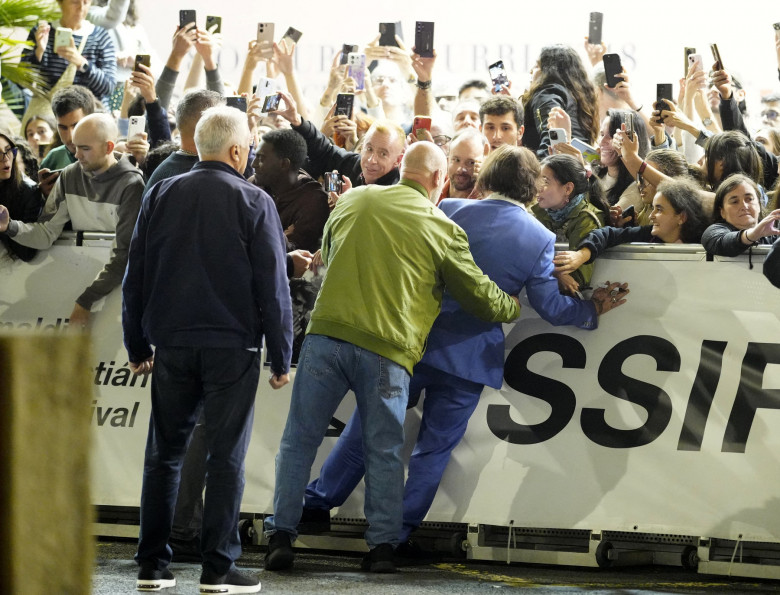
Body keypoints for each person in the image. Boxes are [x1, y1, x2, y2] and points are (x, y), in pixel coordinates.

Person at [301, 145, 628, 557]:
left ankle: (316, 503)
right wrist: (590, 311)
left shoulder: (450, 208)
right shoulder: (539, 237)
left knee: (368, 425)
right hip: (470, 358)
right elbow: (549, 307)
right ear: (531, 186)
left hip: (413, 340)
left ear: (487, 176)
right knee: (432, 450)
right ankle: (395, 536)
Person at [263, 142, 522, 574]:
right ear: (439, 181)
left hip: (327, 338)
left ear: (401, 169)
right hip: (388, 352)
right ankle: (382, 548)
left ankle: (280, 537)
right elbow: (480, 296)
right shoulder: (442, 228)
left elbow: (326, 252)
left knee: (298, 441)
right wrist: (511, 306)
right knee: (382, 449)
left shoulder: (353, 199)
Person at [123, 105, 293, 594]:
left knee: (164, 456)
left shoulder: (160, 193)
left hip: (171, 344)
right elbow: (273, 288)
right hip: (232, 349)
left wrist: (137, 343)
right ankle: (218, 568)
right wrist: (281, 357)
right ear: (238, 150)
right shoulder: (254, 201)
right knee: (225, 458)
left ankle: (152, 565)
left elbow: (136, 279)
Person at [0, 113, 144, 327]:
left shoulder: (132, 184)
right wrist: (9, 226)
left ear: (109, 147)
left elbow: (125, 254)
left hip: (115, 293)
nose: (77, 155)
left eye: (85, 148)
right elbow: (46, 233)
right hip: (79, 282)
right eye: (75, 147)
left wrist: (86, 301)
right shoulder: (69, 175)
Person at [554, 178, 710, 275]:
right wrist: (581, 255)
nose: (651, 216)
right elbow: (607, 234)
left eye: (659, 209)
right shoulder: (648, 234)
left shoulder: (705, 245)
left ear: (681, 217)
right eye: (653, 208)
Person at [272, 90, 405, 189]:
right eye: (369, 149)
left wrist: (346, 204)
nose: (371, 160)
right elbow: (324, 150)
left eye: (383, 154)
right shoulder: (353, 164)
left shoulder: (400, 190)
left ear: (398, 160)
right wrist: (298, 122)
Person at [532, 154, 609, 294]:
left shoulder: (586, 219)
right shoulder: (539, 212)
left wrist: (548, 269)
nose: (537, 187)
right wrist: (555, 272)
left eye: (545, 182)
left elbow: (577, 280)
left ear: (568, 189)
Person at [23, 0, 117, 106]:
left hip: (89, 113)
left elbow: (109, 87)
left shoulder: (100, 36)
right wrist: (39, 52)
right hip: (50, 113)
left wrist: (82, 64)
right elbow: (22, 83)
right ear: (60, 3)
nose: (81, 8)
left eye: (86, 2)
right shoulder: (42, 33)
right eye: (75, 2)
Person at [251, 129, 330, 253]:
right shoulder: (255, 184)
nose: (253, 164)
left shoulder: (313, 201)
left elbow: (297, 257)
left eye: (261, 159)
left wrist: (261, 228)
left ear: (284, 164)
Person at [522, 45, 599, 159]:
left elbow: (550, 143)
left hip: (555, 170)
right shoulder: (577, 98)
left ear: (548, 71)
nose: (531, 70)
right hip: (578, 167)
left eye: (537, 66)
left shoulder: (547, 94)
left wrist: (539, 172)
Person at [701, 173, 780, 256]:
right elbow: (722, 243)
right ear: (722, 212)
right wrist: (752, 235)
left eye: (749, 199)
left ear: (759, 205)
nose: (744, 206)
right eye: (735, 202)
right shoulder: (714, 231)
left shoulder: (774, 233)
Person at [0, 132, 44, 261]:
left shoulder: (29, 191)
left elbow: (27, 252)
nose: (5, 158)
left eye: (8, 151)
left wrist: (7, 227)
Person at [38, 85, 97, 179]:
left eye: (76, 125)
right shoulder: (53, 158)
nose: (70, 137)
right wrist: (44, 193)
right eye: (63, 128)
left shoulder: (110, 156)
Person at [439, 128, 489, 200]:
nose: (461, 169)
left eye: (471, 162)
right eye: (456, 160)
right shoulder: (432, 191)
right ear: (448, 160)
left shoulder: (488, 200)